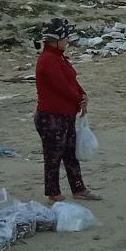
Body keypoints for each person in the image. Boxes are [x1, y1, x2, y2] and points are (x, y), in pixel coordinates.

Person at [33, 18, 101, 205]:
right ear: (55, 40)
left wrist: (82, 94)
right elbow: (62, 87)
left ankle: (78, 188)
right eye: (65, 38)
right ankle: (53, 193)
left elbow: (71, 81)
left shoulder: (58, 57)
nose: (68, 41)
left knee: (70, 154)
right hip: (51, 116)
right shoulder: (48, 60)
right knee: (53, 156)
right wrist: (79, 99)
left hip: (65, 114)